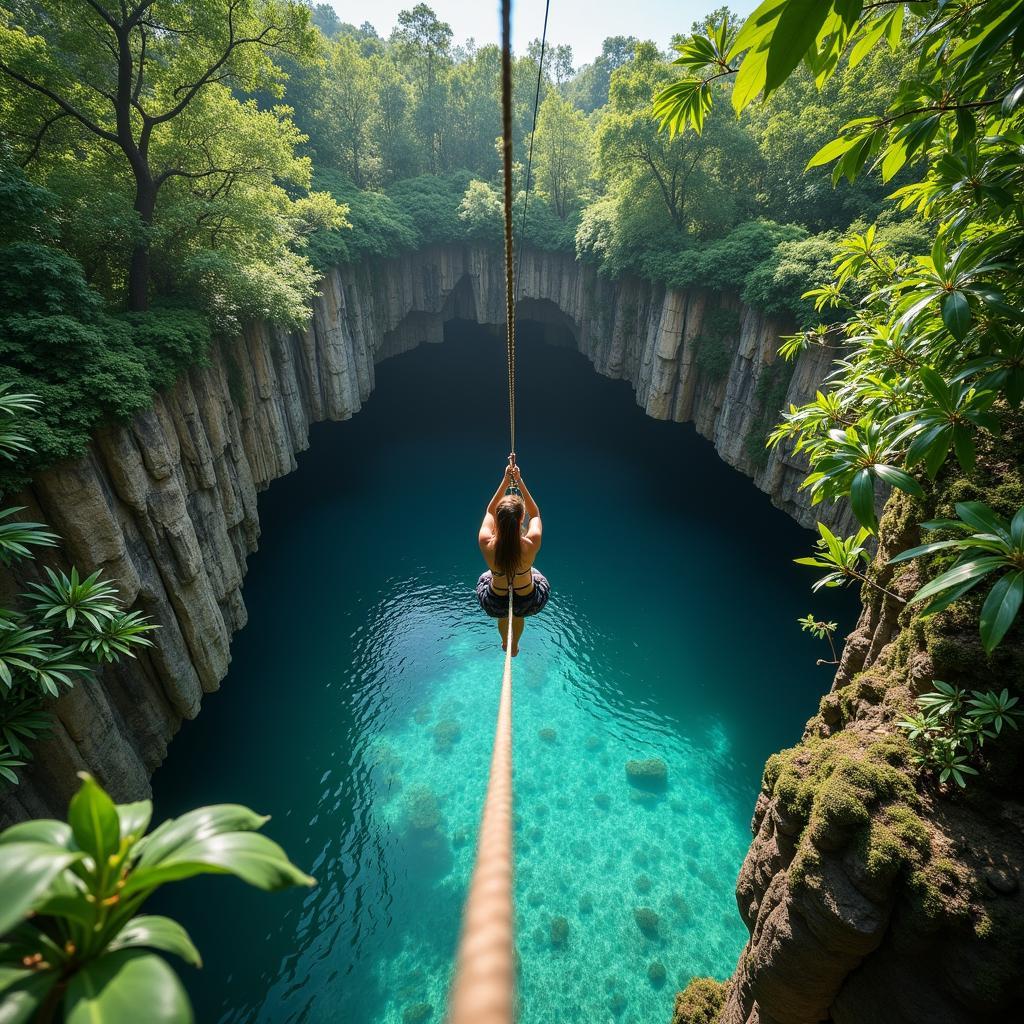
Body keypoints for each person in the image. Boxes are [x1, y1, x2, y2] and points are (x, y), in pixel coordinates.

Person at [476, 457, 549, 656]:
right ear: (520, 520)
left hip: (494, 602)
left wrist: (506, 478)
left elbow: (490, 510)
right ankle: (514, 643)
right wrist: (519, 480)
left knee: (488, 579)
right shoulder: (531, 542)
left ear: (497, 521)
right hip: (529, 600)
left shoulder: (486, 542)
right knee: (530, 580)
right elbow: (535, 515)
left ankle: (505, 642)